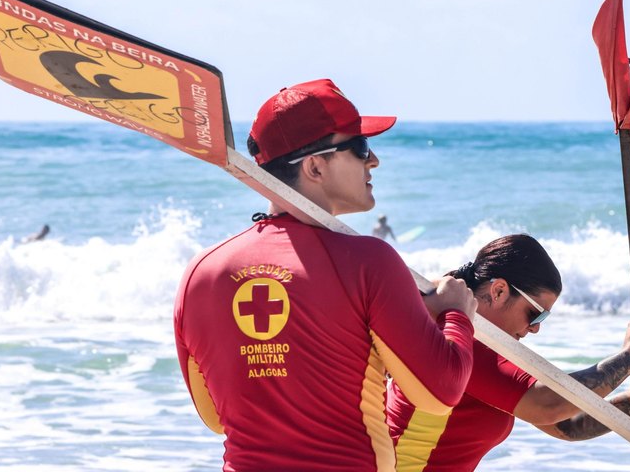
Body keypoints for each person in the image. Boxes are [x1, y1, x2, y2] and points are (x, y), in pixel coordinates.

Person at [173, 78, 478, 471]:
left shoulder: (201, 272)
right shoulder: (369, 261)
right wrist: (455, 314)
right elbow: (441, 393)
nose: (374, 161)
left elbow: (216, 415)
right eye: (360, 147)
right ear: (314, 166)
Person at [387, 234, 630, 472]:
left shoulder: (485, 345)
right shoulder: (459, 339)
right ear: (499, 291)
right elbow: (547, 404)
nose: (535, 329)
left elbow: (565, 425)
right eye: (535, 314)